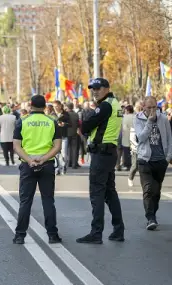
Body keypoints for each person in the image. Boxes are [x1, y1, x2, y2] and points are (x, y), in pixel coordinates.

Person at [77, 78, 125, 244]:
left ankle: (96, 233)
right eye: (93, 89)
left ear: (106, 88)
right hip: (109, 153)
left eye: (98, 88)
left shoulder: (105, 106)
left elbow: (85, 126)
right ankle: (118, 230)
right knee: (110, 192)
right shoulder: (115, 103)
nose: (95, 91)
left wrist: (87, 121)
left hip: (101, 154)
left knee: (97, 193)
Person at [12, 95, 62, 245]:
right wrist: (44, 159)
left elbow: (17, 146)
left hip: (28, 165)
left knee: (25, 201)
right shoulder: (52, 122)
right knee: (48, 200)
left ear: (31, 106)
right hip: (46, 165)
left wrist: (29, 160)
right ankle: (53, 235)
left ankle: (20, 235)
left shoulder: (22, 121)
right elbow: (57, 146)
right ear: (45, 106)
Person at [134, 97, 172, 230]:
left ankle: (153, 214)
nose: (152, 110)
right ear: (143, 107)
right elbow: (141, 138)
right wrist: (149, 122)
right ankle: (150, 218)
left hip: (160, 160)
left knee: (156, 192)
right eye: (149, 107)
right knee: (148, 189)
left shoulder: (163, 119)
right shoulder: (138, 119)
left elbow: (169, 137)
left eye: (154, 107)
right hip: (145, 160)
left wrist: (168, 157)